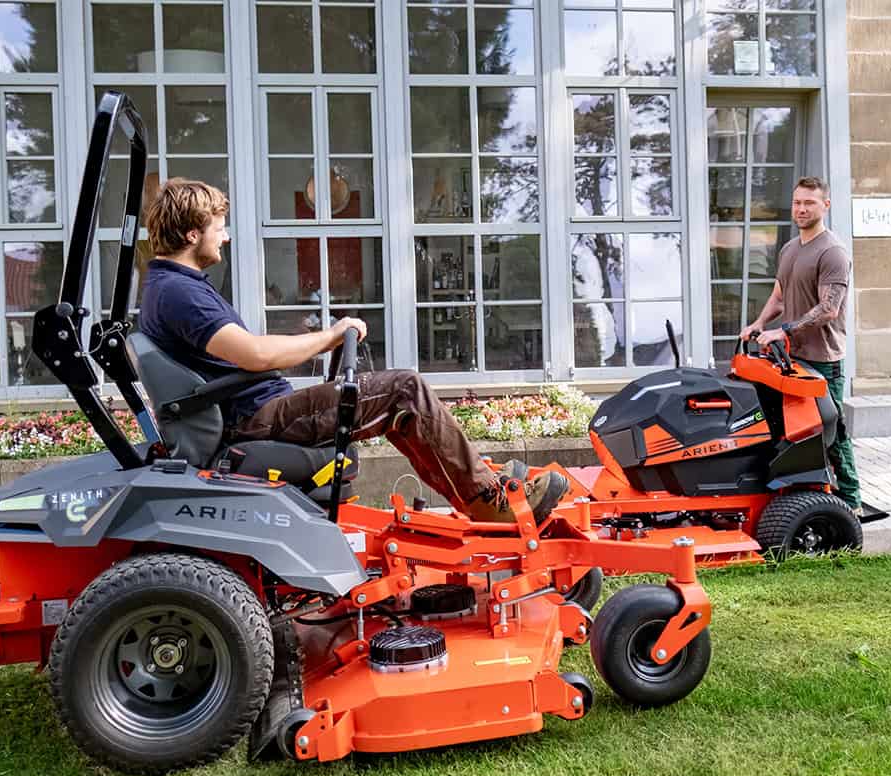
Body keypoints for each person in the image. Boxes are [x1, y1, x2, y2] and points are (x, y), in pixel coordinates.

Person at [134, 178, 570, 522]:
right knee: (404, 391)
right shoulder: (180, 292)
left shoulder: (169, 285)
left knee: (395, 399)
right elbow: (256, 355)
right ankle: (488, 501)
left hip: (252, 409)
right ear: (192, 233)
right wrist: (330, 335)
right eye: (218, 228)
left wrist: (308, 336)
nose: (225, 237)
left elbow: (235, 353)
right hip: (256, 418)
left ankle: (479, 483)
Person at [742, 176, 860, 512]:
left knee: (832, 433)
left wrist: (784, 331)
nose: (802, 209)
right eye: (797, 202)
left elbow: (829, 308)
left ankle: (851, 500)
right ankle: (807, 492)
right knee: (790, 429)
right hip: (791, 359)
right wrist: (759, 323)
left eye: (809, 202)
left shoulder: (832, 252)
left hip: (823, 359)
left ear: (826, 205)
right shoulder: (790, 249)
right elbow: (779, 296)